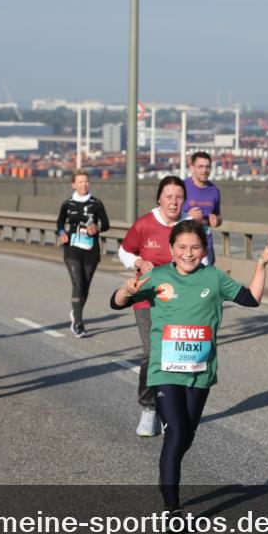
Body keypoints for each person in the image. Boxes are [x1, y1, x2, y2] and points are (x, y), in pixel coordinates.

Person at [110, 219, 268, 517]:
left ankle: (168, 468)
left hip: (200, 373)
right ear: (171, 249)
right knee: (176, 431)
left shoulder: (213, 278)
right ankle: (171, 508)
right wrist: (126, 289)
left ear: (204, 250)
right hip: (164, 371)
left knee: (186, 435)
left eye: (195, 247)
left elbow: (251, 299)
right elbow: (117, 303)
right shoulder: (157, 277)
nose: (188, 253)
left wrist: (262, 264)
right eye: (182, 247)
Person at [117, 175, 189, 437]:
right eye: (169, 196)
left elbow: (201, 259)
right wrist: (137, 263)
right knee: (151, 352)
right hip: (147, 297)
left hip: (179, 300)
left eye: (179, 196)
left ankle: (169, 407)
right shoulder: (145, 224)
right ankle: (149, 409)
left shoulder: (189, 226)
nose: (174, 201)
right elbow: (124, 251)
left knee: (174, 356)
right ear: (159, 198)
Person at [56, 170, 110, 337]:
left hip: (91, 251)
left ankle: (75, 311)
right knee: (77, 284)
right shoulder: (67, 204)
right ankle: (78, 323)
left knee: (85, 286)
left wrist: (97, 228)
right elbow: (59, 223)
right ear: (74, 184)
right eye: (80, 182)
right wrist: (61, 233)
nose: (83, 185)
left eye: (86, 181)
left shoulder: (96, 203)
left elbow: (106, 224)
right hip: (72, 249)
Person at [182, 151, 221, 266]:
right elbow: (169, 215)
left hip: (206, 245)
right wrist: (188, 216)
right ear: (192, 168)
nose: (204, 170)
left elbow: (218, 215)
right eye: (200, 167)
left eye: (207, 167)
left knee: (205, 282)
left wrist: (217, 220)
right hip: (185, 247)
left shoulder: (214, 190)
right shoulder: (182, 187)